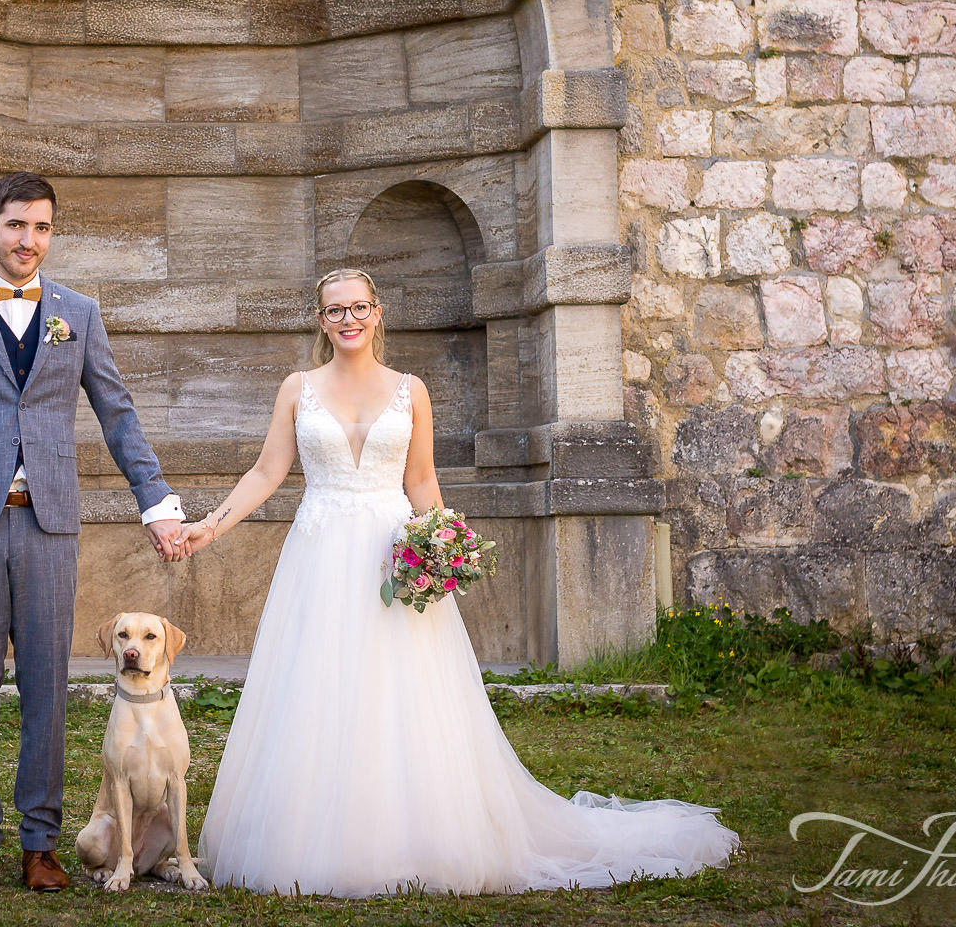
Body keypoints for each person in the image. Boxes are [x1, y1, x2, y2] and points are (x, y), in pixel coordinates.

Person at [182, 268, 740, 897]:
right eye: (334, 311)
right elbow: (266, 471)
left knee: (406, 690)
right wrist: (210, 526)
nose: (348, 320)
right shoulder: (298, 388)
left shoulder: (410, 390)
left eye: (359, 308)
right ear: (320, 321)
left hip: (394, 550)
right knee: (317, 683)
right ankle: (315, 834)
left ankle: (417, 833)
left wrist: (442, 543)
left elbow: (420, 480)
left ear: (377, 312)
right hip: (321, 551)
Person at [0, 171, 191, 894]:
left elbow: (117, 414)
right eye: (17, 225)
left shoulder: (77, 313)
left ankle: (41, 844)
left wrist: (158, 503)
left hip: (50, 524)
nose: (30, 241)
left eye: (43, 228)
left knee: (49, 688)